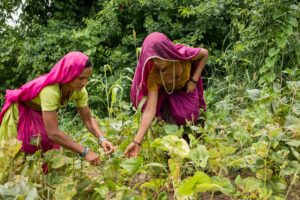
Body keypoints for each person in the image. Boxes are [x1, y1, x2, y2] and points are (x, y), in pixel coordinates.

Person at [0, 52, 114, 165]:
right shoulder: (50, 91)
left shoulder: (79, 91)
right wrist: (85, 152)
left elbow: (88, 120)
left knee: (48, 150)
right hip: (21, 111)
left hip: (41, 112)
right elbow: (53, 133)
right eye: (81, 78)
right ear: (69, 74)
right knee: (17, 152)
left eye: (87, 78)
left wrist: (102, 139)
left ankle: (41, 179)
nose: (85, 83)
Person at [125, 32, 208, 158]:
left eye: (158, 58)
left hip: (187, 89)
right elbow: (149, 111)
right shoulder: (154, 76)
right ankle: (174, 158)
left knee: (193, 121)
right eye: (153, 60)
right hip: (167, 96)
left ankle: (197, 154)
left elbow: (204, 54)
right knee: (171, 125)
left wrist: (194, 79)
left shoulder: (182, 55)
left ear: (166, 51)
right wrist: (137, 142)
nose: (157, 63)